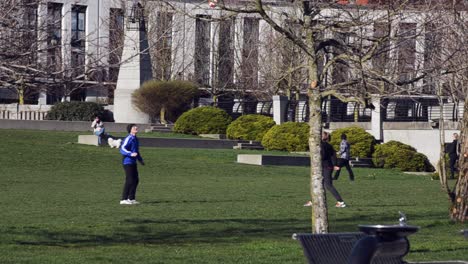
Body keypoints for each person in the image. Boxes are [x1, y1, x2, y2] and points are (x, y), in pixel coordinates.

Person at [304, 131, 346, 208]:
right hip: (326, 167)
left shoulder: (322, 145)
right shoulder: (329, 146)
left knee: (328, 185)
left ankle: (340, 201)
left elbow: (323, 156)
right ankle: (313, 201)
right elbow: (334, 155)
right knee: (318, 183)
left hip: (326, 167)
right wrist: (335, 165)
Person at [119, 124, 145, 205]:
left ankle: (131, 198)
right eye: (134, 127)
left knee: (136, 180)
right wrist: (130, 154)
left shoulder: (135, 139)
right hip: (127, 162)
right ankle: (123, 199)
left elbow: (136, 151)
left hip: (133, 162)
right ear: (130, 130)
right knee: (129, 180)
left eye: (136, 127)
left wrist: (140, 160)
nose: (136, 128)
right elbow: (122, 148)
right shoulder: (129, 138)